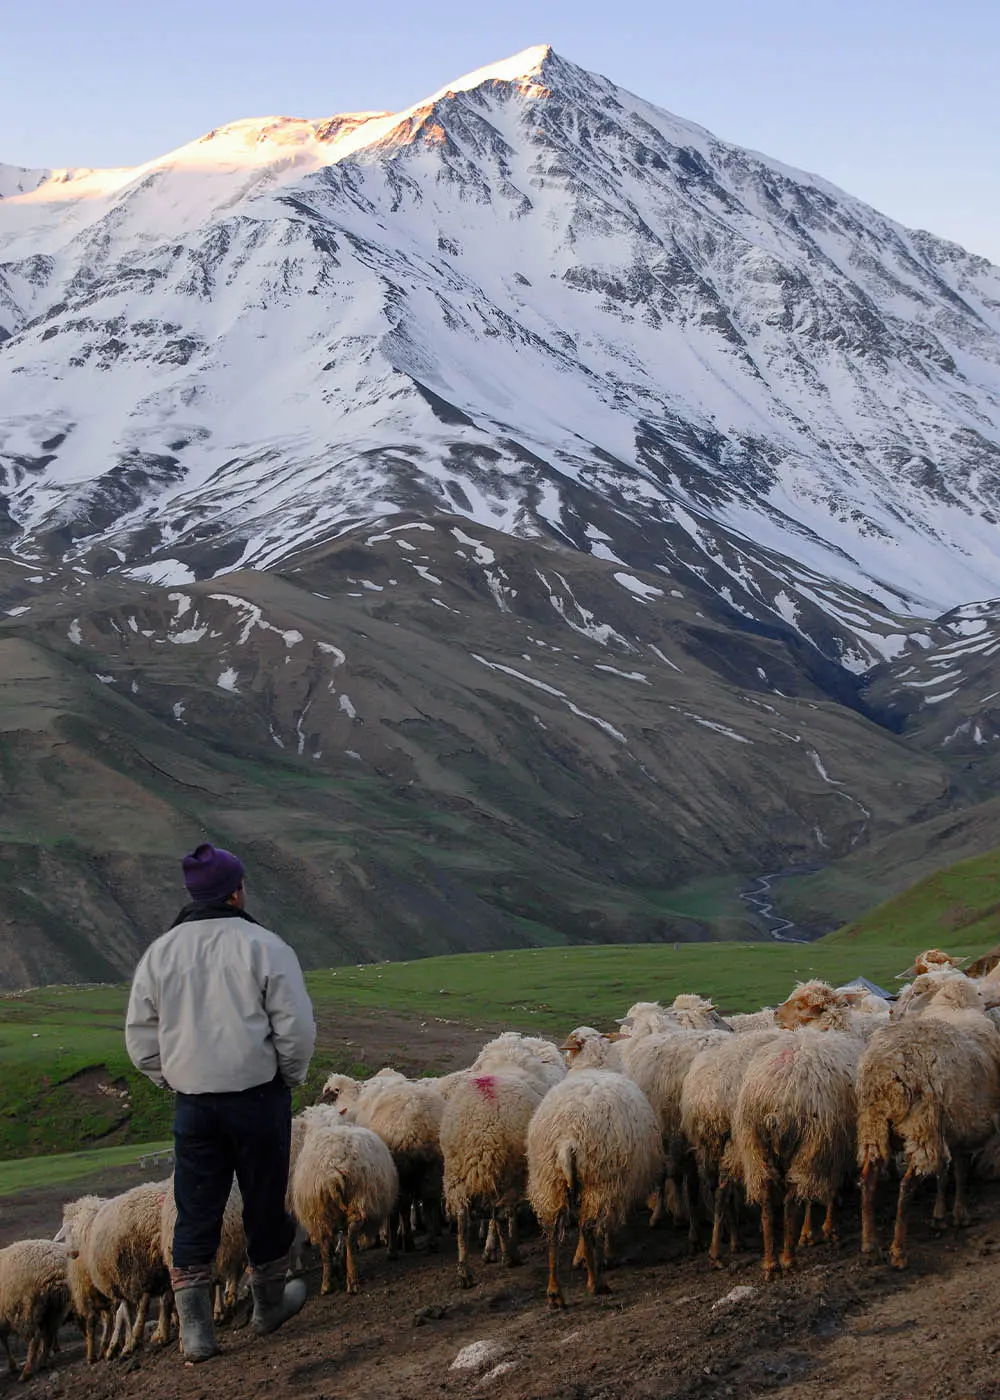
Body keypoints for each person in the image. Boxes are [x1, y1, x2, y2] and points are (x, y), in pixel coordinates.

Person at [125, 843, 316, 1362]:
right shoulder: (265, 946)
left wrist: (174, 1079)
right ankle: (268, 1307)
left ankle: (196, 1333)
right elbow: (295, 1027)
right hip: (257, 1099)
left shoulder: (160, 953)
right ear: (236, 891)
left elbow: (140, 1036)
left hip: (195, 1106)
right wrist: (288, 1077)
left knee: (196, 1208)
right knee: (262, 1202)